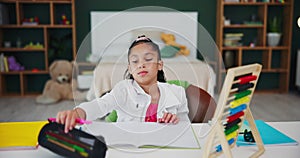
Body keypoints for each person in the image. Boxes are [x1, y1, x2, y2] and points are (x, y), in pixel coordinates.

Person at [56, 35, 189, 133]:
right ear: (130, 68)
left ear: (159, 65)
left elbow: (186, 130)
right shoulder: (123, 90)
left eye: (148, 59)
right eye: (135, 61)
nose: (141, 64)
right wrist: (77, 113)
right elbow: (99, 105)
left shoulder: (177, 92)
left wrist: (174, 122)